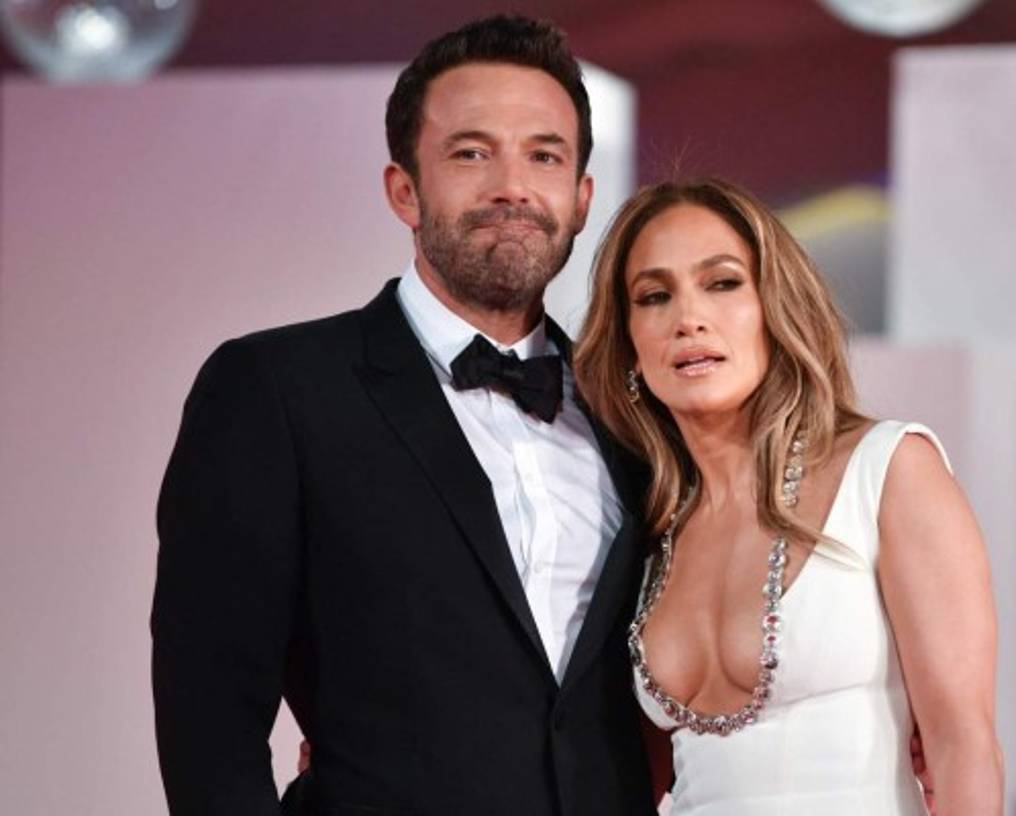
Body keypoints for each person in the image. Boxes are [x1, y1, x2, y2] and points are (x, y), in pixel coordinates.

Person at [150, 16, 659, 815]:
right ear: (403, 190)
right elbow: (208, 714)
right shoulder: (277, 390)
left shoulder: (638, 414)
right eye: (470, 152)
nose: (512, 187)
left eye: (544, 155)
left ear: (582, 198)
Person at [571, 178, 1004, 814]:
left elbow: (963, 746)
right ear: (630, 344)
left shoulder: (887, 470)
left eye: (722, 283)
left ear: (775, 307)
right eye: (655, 296)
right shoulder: (644, 529)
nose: (689, 318)